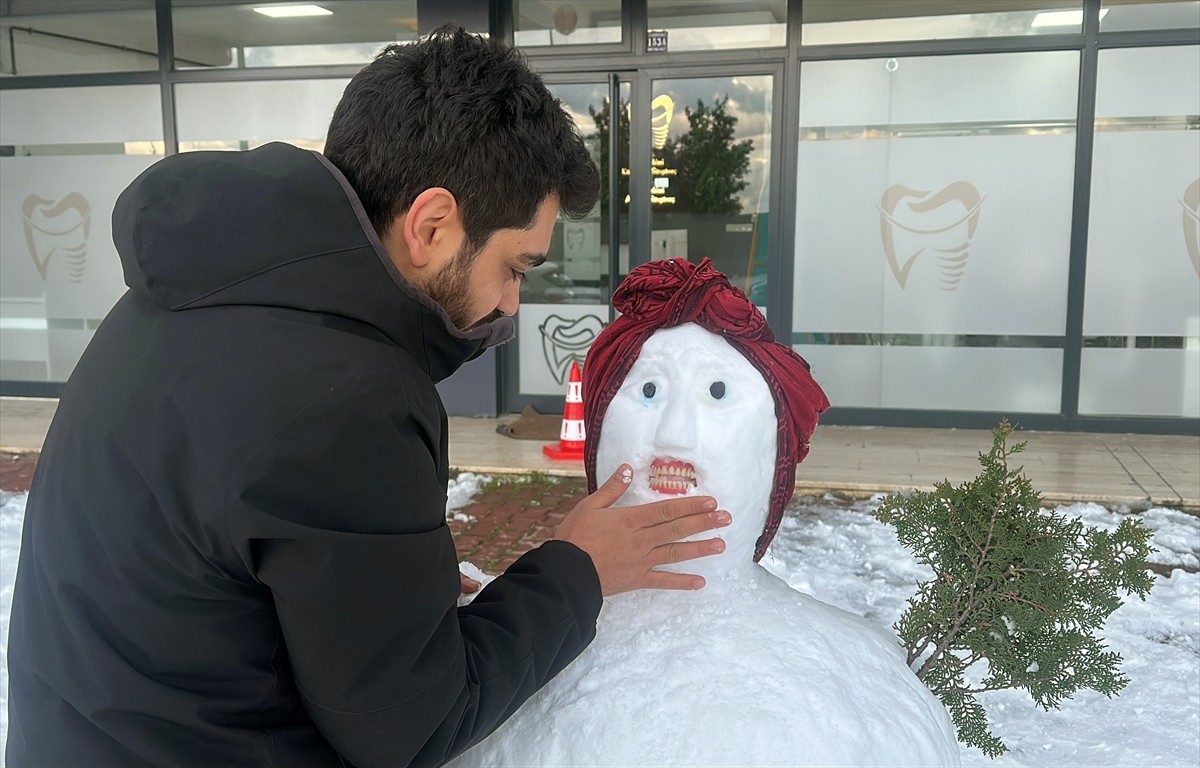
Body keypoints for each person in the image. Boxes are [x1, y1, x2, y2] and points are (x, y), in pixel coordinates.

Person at [4, 28, 730, 767]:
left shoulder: (187, 292)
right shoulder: (347, 395)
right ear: (433, 226)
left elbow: (195, 555)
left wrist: (364, 589)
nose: (512, 304)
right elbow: (412, 728)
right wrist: (577, 567)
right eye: (517, 265)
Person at [450, 259, 960, 767]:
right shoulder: (501, 645)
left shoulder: (854, 696)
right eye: (648, 391)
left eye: (717, 393)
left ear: (770, 455)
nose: (674, 434)